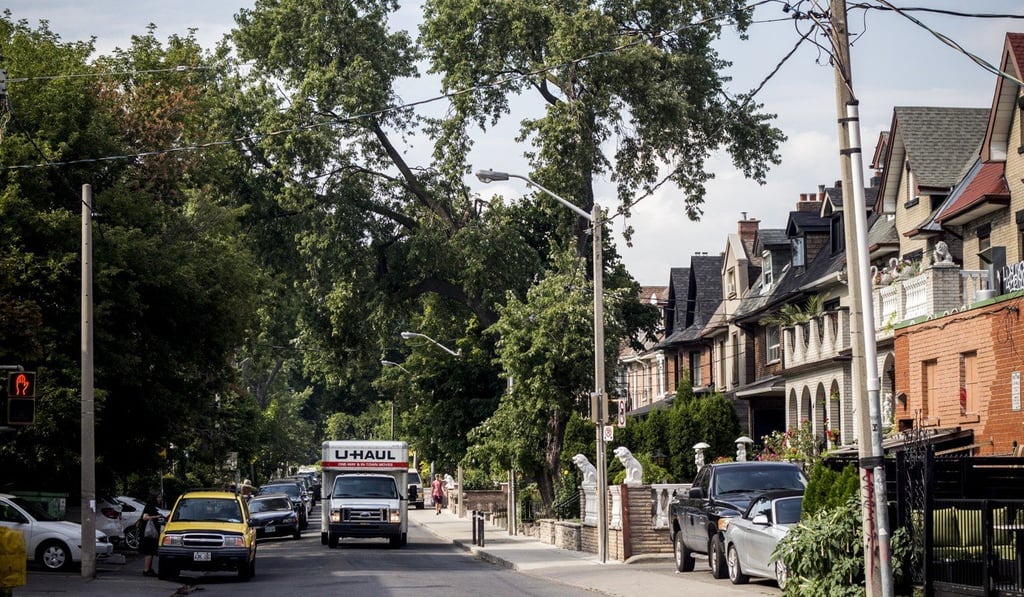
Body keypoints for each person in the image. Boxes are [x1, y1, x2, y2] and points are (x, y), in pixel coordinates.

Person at [140, 491, 163, 577]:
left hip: (151, 532)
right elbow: (145, 517)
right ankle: (146, 570)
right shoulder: (149, 506)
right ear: (155, 498)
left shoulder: (153, 506)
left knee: (151, 551)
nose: (160, 499)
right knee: (149, 551)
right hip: (148, 532)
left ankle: (149, 569)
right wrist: (157, 516)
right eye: (158, 497)